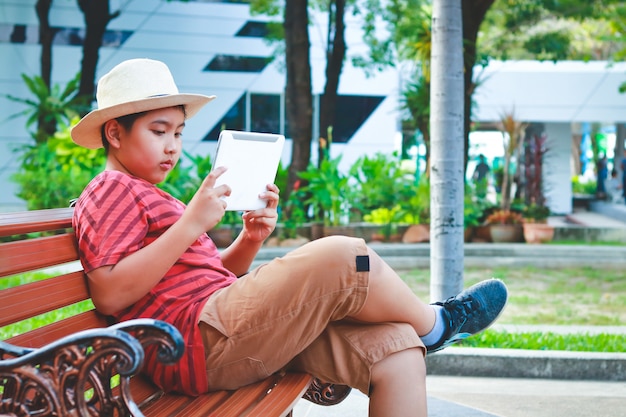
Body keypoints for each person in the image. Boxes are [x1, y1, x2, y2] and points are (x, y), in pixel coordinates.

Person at [70, 58, 508, 417]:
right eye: (158, 131)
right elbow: (109, 293)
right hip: (192, 342)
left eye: (178, 133)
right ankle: (438, 323)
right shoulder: (110, 189)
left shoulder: (152, 194)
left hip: (222, 329)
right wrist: (191, 223)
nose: (172, 146)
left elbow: (207, 276)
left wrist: (250, 239)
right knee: (344, 256)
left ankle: (423, 333)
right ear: (114, 132)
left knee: (396, 349)